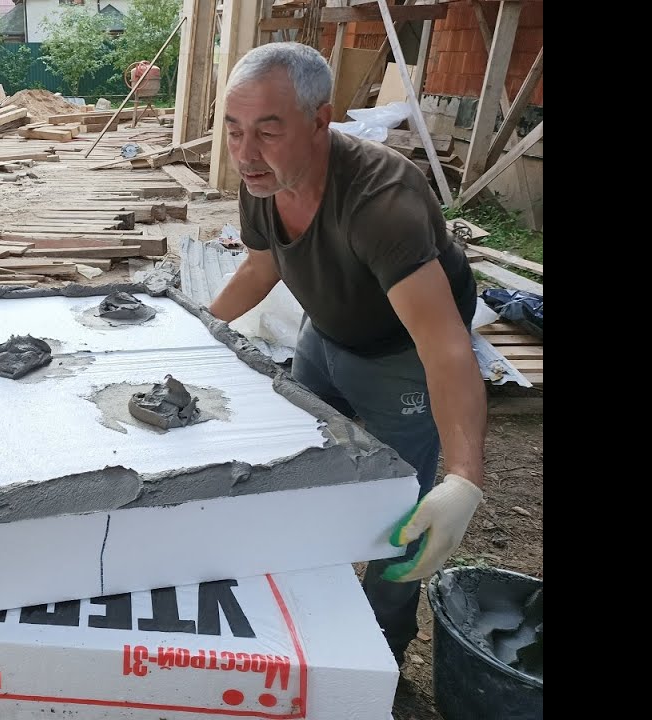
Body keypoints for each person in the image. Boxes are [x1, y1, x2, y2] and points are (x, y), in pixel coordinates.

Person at [208, 42, 487, 666]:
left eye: (267, 132)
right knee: (290, 452)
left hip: (402, 353)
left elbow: (445, 345)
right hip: (326, 331)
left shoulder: (381, 203)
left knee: (400, 507)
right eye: (234, 130)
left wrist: (465, 479)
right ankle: (295, 598)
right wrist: (198, 328)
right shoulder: (263, 179)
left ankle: (381, 648)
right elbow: (260, 266)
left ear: (320, 120)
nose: (245, 154)